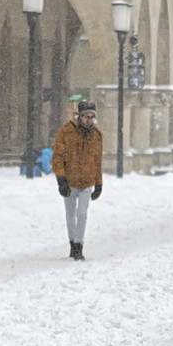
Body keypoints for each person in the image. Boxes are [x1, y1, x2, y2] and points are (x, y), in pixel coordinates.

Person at [53, 101, 103, 261]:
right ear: (79, 116)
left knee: (82, 214)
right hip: (70, 180)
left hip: (87, 181)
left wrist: (98, 183)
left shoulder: (97, 136)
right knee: (70, 213)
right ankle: (72, 244)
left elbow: (97, 161)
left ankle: (79, 245)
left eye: (92, 117)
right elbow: (57, 158)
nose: (89, 120)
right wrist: (61, 178)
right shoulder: (66, 133)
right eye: (86, 116)